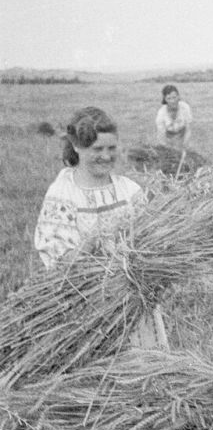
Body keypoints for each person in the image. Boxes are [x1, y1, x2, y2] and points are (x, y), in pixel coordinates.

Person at [34, 106, 168, 349]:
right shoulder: (63, 194)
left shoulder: (129, 190)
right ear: (77, 147)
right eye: (97, 149)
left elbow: (152, 241)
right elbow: (58, 259)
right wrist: (93, 244)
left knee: (143, 366)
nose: (106, 156)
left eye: (111, 148)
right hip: (88, 305)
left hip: (134, 301)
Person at [155, 84, 192, 150]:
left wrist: (185, 146)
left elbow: (188, 129)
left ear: (178, 96)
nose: (172, 101)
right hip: (168, 141)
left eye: (174, 97)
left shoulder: (185, 107)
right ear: (165, 99)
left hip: (182, 138)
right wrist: (168, 150)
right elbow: (161, 136)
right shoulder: (161, 114)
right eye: (169, 98)